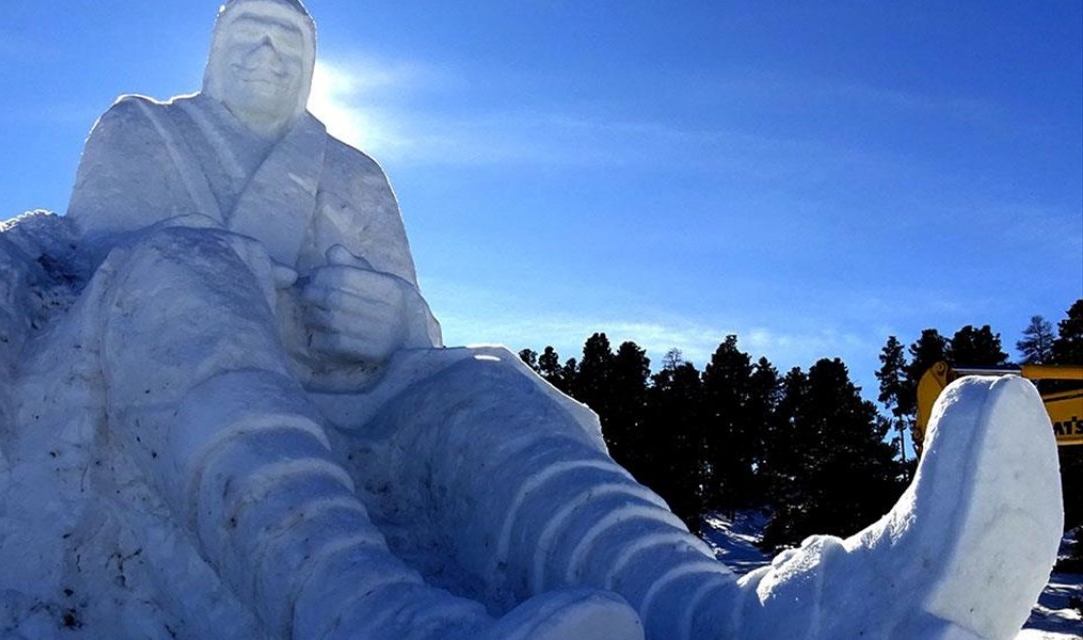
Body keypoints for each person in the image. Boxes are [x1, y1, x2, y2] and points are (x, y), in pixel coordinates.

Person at [64, 1, 1064, 638]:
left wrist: (393, 321)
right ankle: (378, 619)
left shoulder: (348, 169)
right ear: (209, 49)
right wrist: (251, 296)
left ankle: (732, 615)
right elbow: (104, 269)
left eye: (291, 40)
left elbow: (412, 311)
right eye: (250, 34)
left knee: (490, 387)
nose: (269, 54)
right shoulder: (141, 132)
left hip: (364, 401)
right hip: (203, 401)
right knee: (177, 270)